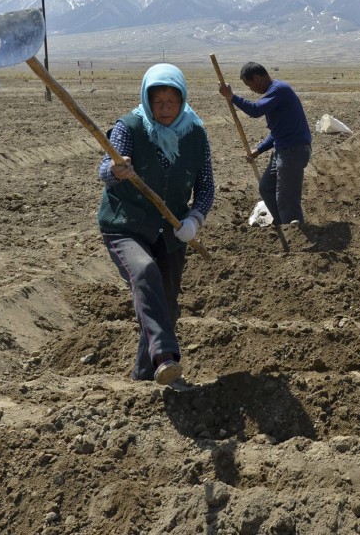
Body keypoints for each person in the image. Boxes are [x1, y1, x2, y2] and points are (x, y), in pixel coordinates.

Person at [97, 63, 215, 386]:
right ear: (147, 100)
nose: (164, 109)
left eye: (171, 102)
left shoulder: (195, 133)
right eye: (158, 102)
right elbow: (105, 168)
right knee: (145, 271)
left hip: (172, 231)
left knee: (165, 304)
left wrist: (195, 218)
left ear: (182, 101)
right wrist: (116, 171)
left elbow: (206, 187)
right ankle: (166, 356)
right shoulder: (129, 127)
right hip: (125, 225)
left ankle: (144, 377)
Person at [218, 62, 311, 225]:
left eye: (249, 85)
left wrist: (231, 97)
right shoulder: (274, 92)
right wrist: (259, 150)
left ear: (256, 78)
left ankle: (295, 233)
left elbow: (255, 110)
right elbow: (277, 133)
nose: (250, 89)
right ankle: (283, 224)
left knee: (286, 199)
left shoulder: (279, 90)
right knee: (266, 187)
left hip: (293, 151)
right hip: (283, 150)